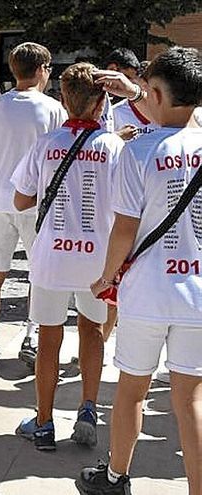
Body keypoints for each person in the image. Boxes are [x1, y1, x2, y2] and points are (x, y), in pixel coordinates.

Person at [77, 46, 202, 495]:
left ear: (152, 91)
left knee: (132, 390)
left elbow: (124, 230)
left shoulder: (139, 150)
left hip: (148, 290)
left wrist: (106, 277)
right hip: (198, 293)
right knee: (190, 399)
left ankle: (116, 477)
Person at [11, 62, 124, 451]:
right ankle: (88, 408)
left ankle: (43, 423)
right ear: (101, 102)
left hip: (51, 257)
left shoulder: (45, 144)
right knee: (93, 331)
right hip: (97, 259)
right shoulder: (113, 147)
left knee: (49, 339)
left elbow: (21, 198)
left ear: (63, 99)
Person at [0, 42, 66, 368]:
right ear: (43, 69)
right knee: (38, 275)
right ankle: (32, 336)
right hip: (37, 202)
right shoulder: (53, 108)